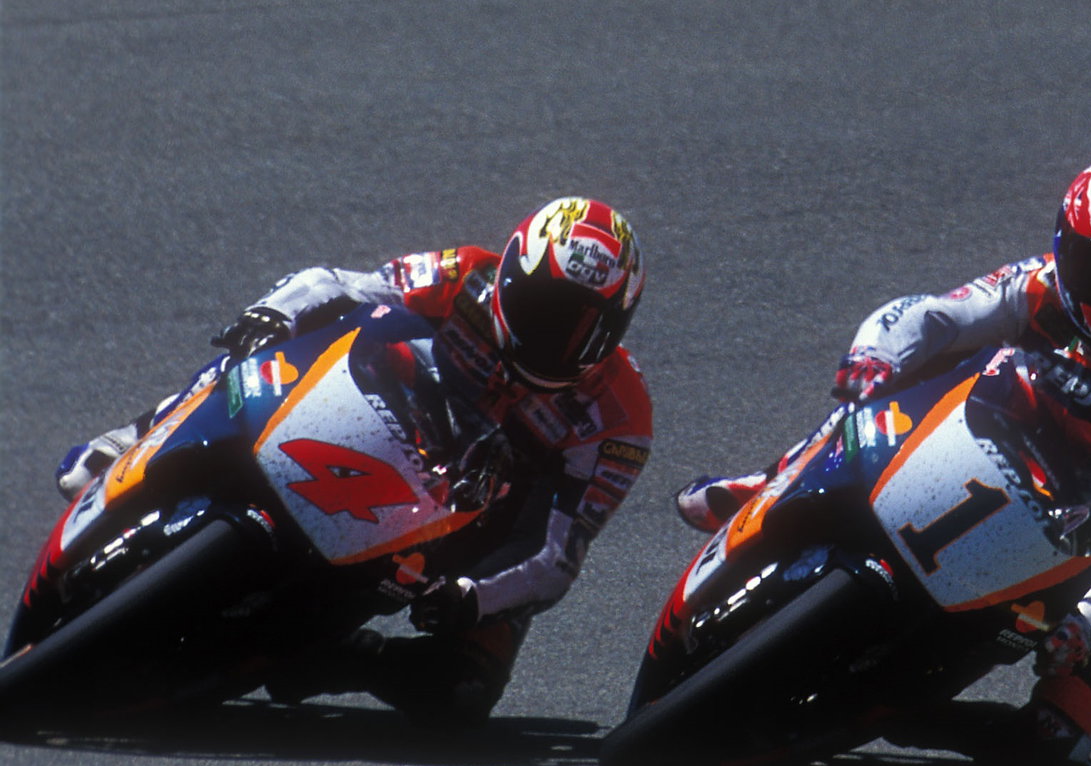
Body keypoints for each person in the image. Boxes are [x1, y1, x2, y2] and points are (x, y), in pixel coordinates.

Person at [676, 156, 1091, 766]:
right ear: (1065, 247)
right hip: (1008, 443)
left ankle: (909, 711)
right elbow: (931, 316)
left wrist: (1087, 623)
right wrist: (873, 359)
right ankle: (777, 480)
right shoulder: (1041, 283)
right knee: (903, 377)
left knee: (1052, 746)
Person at [56, 197, 652, 727]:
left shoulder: (620, 419)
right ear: (511, 275)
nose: (554, 338)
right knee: (262, 351)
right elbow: (344, 287)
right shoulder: (467, 274)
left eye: (582, 329)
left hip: (471, 530)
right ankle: (138, 433)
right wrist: (274, 314)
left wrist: (472, 593)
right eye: (542, 308)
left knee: (461, 691)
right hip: (382, 422)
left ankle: (344, 658)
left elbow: (556, 551)